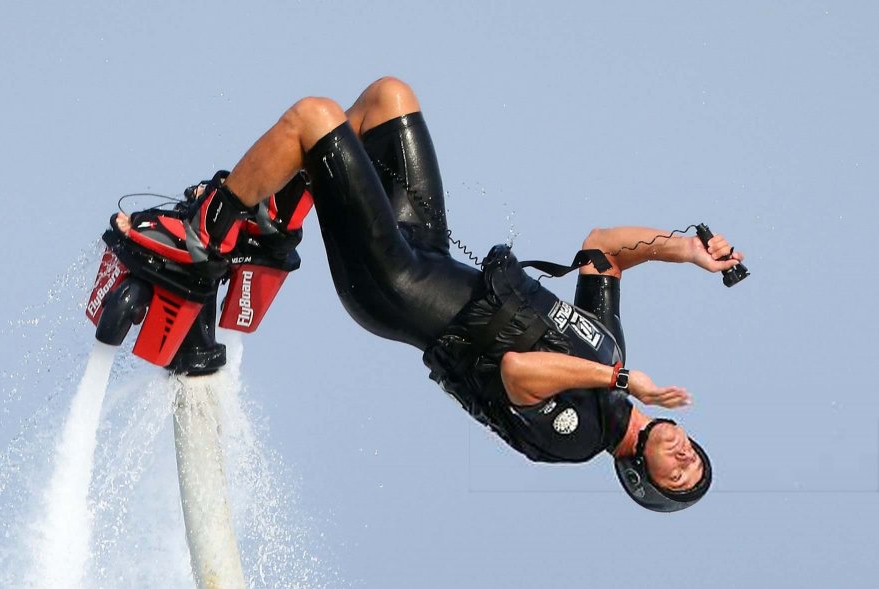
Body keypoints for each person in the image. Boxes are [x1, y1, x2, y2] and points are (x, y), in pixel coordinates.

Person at [115, 77, 745, 512]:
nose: (686, 456)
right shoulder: (611, 351)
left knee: (314, 116)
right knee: (389, 97)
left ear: (638, 477)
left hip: (396, 288)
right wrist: (682, 251)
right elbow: (604, 247)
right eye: (697, 459)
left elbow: (520, 371)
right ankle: (273, 213)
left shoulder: (577, 439)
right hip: (428, 251)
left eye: (680, 475)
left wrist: (620, 380)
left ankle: (202, 235)